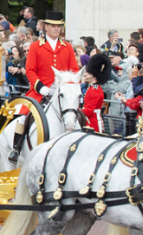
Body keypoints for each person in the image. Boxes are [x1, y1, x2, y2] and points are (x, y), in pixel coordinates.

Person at [8, 11, 78, 162]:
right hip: (40, 90)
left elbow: (75, 70)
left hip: (62, 91)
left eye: (58, 26)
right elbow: (31, 70)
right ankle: (16, 148)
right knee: (22, 116)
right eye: (53, 26)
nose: (56, 29)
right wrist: (39, 87)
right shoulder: (35, 47)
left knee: (78, 115)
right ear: (46, 27)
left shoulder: (67, 47)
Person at [83, 53, 112, 132]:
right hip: (88, 120)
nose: (85, 75)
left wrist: (76, 111)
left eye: (88, 73)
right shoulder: (91, 87)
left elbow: (88, 111)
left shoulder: (96, 90)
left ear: (94, 75)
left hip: (92, 123)